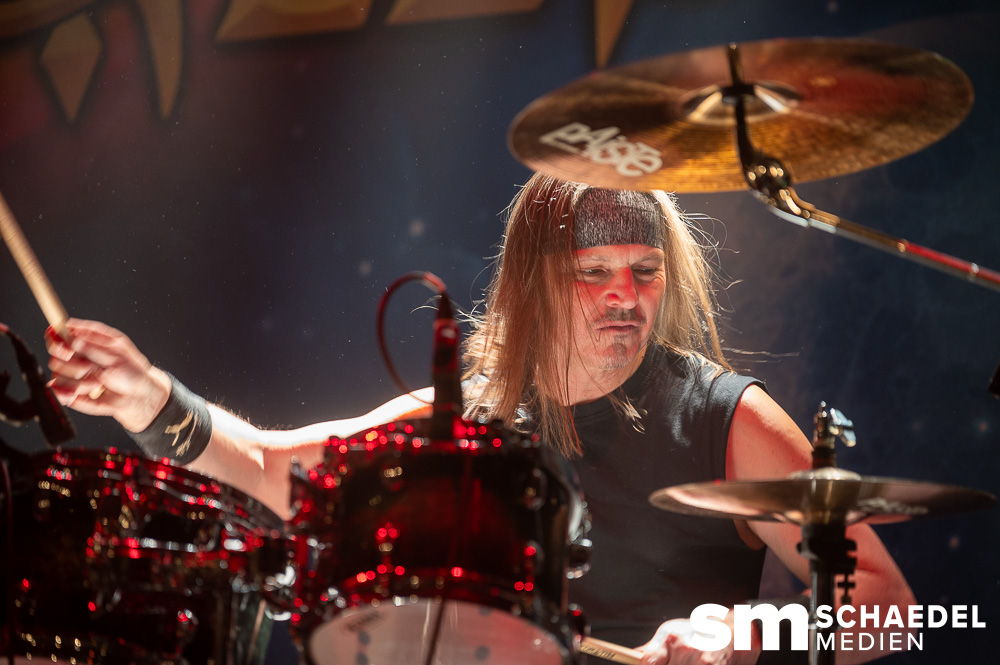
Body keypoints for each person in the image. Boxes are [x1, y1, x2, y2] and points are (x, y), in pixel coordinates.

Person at [46, 173, 914, 665]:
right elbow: (272, 470)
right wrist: (149, 397)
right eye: (595, 271)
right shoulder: (469, 419)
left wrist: (756, 631)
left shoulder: (728, 419)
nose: (625, 294)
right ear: (536, 281)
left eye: (645, 270)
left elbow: (893, 606)